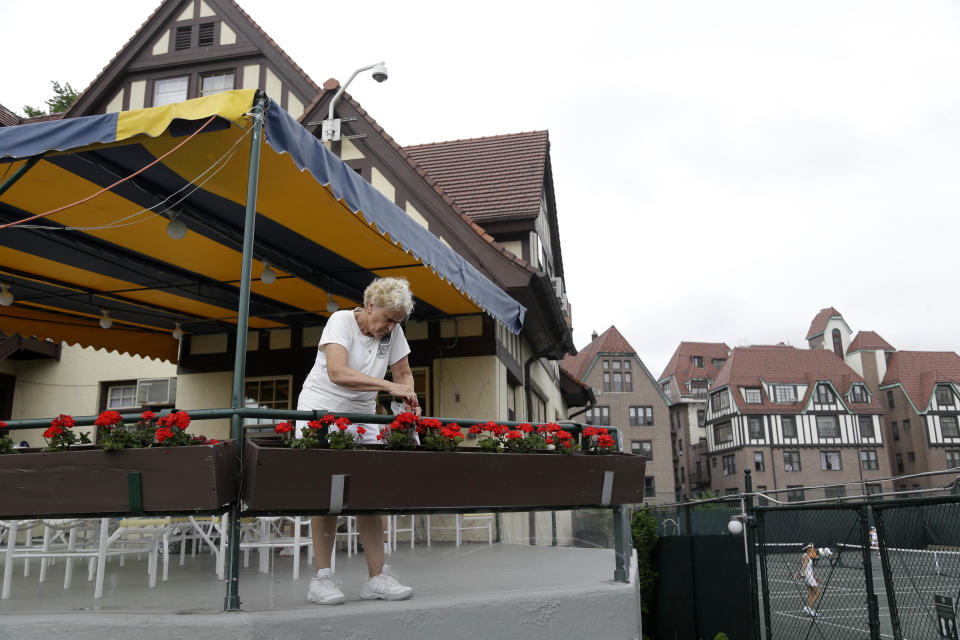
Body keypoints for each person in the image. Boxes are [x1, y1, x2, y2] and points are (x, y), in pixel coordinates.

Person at [297, 277, 421, 605]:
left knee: (371, 493)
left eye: (397, 321)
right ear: (369, 306)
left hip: (363, 414)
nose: (391, 327)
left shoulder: (393, 331)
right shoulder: (340, 321)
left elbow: (403, 372)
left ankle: (377, 578)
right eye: (388, 319)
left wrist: (407, 392)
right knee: (329, 495)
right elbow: (338, 372)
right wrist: (388, 387)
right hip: (322, 410)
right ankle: (321, 580)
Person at [799, 543, 822, 617]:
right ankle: (808, 608)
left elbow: (810, 569)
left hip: (808, 577)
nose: (812, 548)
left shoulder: (806, 556)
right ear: (808, 548)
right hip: (808, 577)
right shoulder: (806, 556)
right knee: (818, 592)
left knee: (811, 593)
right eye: (811, 547)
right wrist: (802, 573)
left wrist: (816, 577)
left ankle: (809, 609)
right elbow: (804, 566)